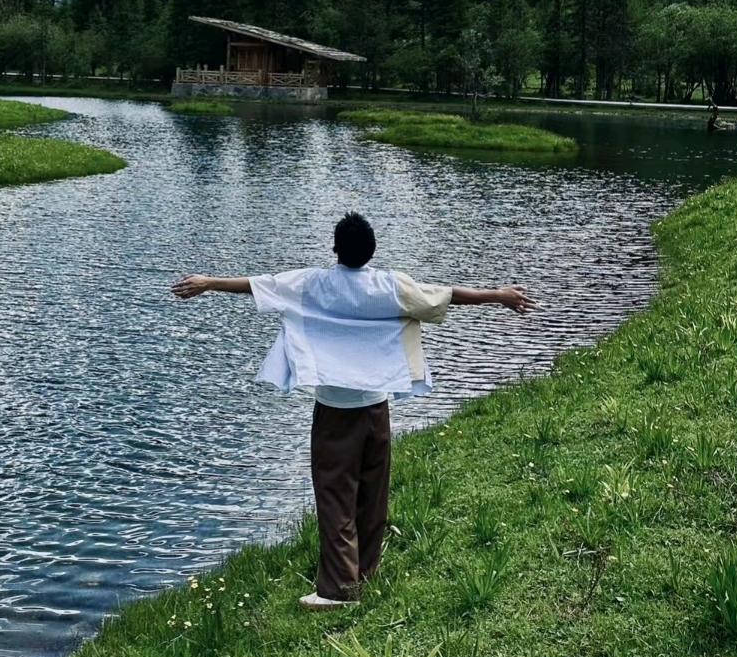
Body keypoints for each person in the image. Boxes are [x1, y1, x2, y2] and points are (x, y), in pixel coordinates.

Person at [171, 211, 534, 611]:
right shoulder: (390, 285)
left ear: (335, 249)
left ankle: (338, 590)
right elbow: (445, 294)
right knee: (372, 494)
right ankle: (365, 572)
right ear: (372, 250)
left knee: (334, 495)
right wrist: (498, 295)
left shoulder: (315, 283)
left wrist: (209, 283)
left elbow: (259, 286)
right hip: (376, 409)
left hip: (335, 412)